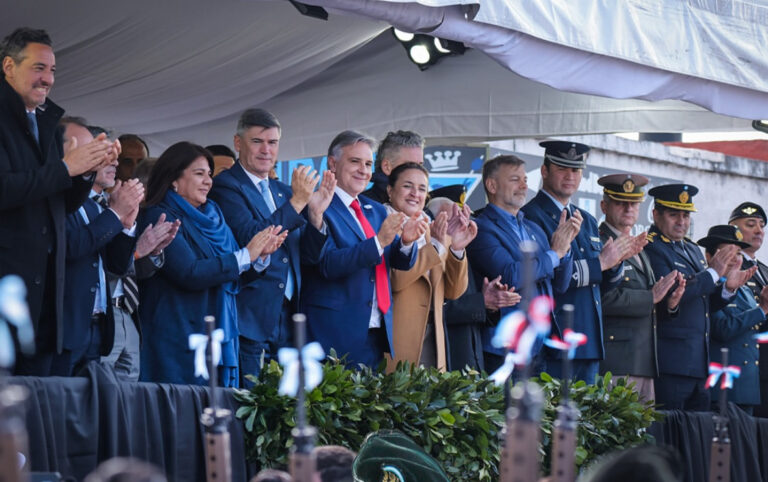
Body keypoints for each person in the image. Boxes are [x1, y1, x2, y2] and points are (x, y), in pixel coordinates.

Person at [1, 27, 119, 375]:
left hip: (46, 305)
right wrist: (66, 168)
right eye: (39, 68)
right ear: (8, 66)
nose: (48, 79)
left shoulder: (45, 123)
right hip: (9, 297)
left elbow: (56, 207)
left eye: (52, 70)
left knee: (42, 416)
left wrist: (84, 173)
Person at [138, 141, 285, 386]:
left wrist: (259, 258)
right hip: (179, 335)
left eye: (209, 174)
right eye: (199, 174)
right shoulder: (160, 215)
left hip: (217, 333)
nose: (208, 181)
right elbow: (190, 273)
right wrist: (245, 255)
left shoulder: (214, 215)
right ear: (174, 179)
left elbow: (230, 273)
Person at [210, 108, 333, 387]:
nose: (266, 150)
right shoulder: (225, 187)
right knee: (249, 408)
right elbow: (252, 237)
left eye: (273, 142)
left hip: (289, 317)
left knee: (285, 412)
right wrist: (298, 203)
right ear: (238, 143)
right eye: (257, 142)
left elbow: (309, 256)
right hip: (249, 317)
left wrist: (315, 217)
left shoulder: (284, 191)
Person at [300, 130, 427, 368]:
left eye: (368, 163)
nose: (363, 170)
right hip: (334, 333)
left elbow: (394, 262)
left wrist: (406, 242)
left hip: (375, 333)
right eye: (355, 161)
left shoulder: (375, 209)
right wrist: (379, 242)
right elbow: (327, 264)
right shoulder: (318, 205)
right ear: (332, 163)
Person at [521, 141, 642, 383]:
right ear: (544, 171)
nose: (570, 176)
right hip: (554, 342)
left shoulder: (584, 218)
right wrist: (602, 264)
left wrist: (616, 262)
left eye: (576, 171)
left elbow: (600, 285)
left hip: (588, 340)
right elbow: (550, 275)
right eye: (562, 169)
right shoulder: (531, 215)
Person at [644, 184, 751, 410]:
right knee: (670, 435)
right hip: (671, 362)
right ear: (655, 214)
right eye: (674, 214)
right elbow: (674, 293)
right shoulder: (651, 247)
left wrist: (726, 289)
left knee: (696, 438)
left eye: (686, 215)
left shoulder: (691, 249)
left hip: (699, 363)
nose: (681, 221)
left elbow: (703, 302)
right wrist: (713, 273)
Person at [468, 154, 578, 374]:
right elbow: (510, 275)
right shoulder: (481, 228)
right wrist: (554, 253)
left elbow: (560, 285)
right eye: (515, 179)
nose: (523, 186)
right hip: (503, 349)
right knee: (505, 408)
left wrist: (564, 251)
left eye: (525, 180)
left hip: (538, 345)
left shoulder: (533, 228)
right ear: (491, 185)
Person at [60, 118, 143, 376]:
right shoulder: (61, 199)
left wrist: (127, 225)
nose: (114, 162)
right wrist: (116, 215)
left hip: (97, 326)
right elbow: (72, 248)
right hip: (66, 325)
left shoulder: (98, 206)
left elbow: (115, 265)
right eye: (105, 154)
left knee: (93, 409)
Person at [596, 173, 681, 403]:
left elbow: (650, 304)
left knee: (644, 438)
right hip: (615, 362)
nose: (628, 209)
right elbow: (601, 299)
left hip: (643, 361)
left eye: (633, 203)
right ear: (604, 206)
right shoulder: (599, 242)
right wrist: (650, 297)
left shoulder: (639, 246)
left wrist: (668, 303)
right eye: (620, 203)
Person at [384, 162, 471, 371]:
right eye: (407, 186)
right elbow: (394, 282)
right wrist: (436, 247)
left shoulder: (432, 228)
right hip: (398, 339)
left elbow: (453, 291)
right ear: (390, 190)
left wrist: (456, 249)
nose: (415, 194)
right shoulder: (382, 224)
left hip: (434, 338)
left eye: (422, 188)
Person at [427, 197, 520, 372]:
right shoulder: (426, 253)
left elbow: (473, 299)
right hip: (444, 360)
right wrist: (480, 302)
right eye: (451, 219)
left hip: (472, 357)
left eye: (462, 217)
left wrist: (489, 301)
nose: (459, 224)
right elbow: (430, 310)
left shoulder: (462, 248)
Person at [698, 225, 766, 414]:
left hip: (748, 387)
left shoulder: (744, 289)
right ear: (709, 257)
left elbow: (755, 331)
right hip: (723, 386)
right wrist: (762, 309)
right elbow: (722, 328)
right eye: (726, 253)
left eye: (737, 253)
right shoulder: (708, 287)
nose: (734, 259)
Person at [728, 201, 768, 416]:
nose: (759, 231)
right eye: (751, 224)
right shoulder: (731, 267)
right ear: (734, 229)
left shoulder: (763, 270)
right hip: (746, 362)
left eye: (762, 225)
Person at [362, 130, 424, 204]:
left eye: (420, 165)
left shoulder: (423, 208)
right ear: (386, 167)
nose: (417, 171)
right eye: (410, 165)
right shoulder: (362, 207)